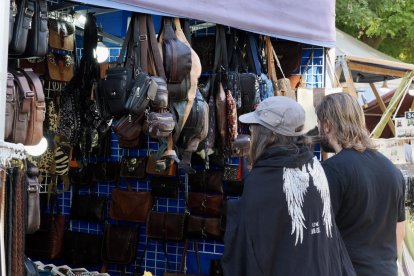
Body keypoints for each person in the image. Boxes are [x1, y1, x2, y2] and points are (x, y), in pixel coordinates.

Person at [222, 96, 356, 276]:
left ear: (267, 135)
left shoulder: (264, 179)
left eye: (254, 130)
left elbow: (249, 251)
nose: (251, 135)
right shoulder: (314, 166)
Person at [316, 93, 406, 276]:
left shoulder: (330, 171)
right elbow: (399, 234)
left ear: (327, 125)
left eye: (319, 124)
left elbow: (320, 236)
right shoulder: (392, 170)